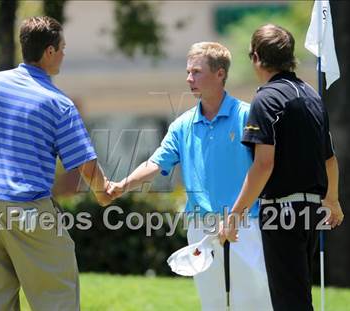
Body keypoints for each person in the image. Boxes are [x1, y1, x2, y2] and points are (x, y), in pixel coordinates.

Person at [0, 16, 111, 311]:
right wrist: (104, 192)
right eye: (63, 48)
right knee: (57, 299)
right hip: (28, 210)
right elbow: (86, 163)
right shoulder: (58, 103)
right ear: (49, 52)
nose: (64, 54)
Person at [107, 42, 272, 311]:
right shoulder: (183, 124)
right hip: (201, 226)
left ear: (220, 74)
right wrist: (122, 185)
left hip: (245, 223)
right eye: (188, 72)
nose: (189, 78)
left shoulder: (247, 115)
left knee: (254, 303)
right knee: (214, 304)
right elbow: (156, 163)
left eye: (196, 72)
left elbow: (266, 166)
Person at [225, 24, 344, 311]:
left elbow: (263, 164)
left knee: (290, 299)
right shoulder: (312, 96)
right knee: (298, 293)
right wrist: (333, 200)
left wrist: (236, 212)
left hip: (282, 212)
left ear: (255, 57)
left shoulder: (265, 99)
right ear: (289, 56)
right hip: (311, 210)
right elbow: (329, 158)